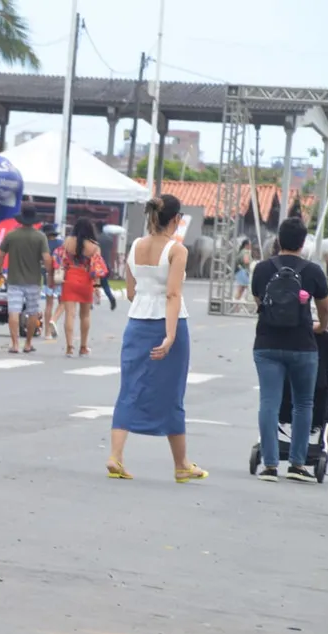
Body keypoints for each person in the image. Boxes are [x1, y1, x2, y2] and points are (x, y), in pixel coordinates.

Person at [108, 194, 208, 483]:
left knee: (129, 387)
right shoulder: (177, 250)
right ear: (176, 220)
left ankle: (115, 455)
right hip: (167, 323)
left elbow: (130, 292)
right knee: (172, 393)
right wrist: (170, 335)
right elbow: (173, 294)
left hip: (137, 323)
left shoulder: (136, 246)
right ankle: (181, 464)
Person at [251, 217, 328, 482]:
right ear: (303, 242)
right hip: (303, 346)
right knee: (303, 403)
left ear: (278, 240)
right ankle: (297, 465)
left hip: (267, 344)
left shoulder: (262, 269)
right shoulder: (313, 271)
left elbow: (259, 303)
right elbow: (325, 307)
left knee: (269, 402)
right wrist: (320, 327)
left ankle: (270, 465)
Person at [0, 202, 51, 353]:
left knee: (14, 311)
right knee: (32, 312)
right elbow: (46, 258)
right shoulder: (40, 237)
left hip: (14, 280)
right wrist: (49, 272)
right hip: (33, 280)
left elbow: (0, 254)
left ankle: (14, 344)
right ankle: (28, 343)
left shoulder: (12, 235)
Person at [52, 218, 108, 357]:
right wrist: (96, 286)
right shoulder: (94, 246)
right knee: (85, 315)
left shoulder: (67, 242)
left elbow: (59, 259)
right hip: (86, 280)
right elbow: (97, 268)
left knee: (70, 315)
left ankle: (69, 347)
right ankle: (83, 346)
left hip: (70, 278)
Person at [42, 224, 63, 339]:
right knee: (62, 302)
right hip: (60, 275)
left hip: (47, 276)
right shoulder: (61, 244)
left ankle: (47, 333)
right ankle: (54, 319)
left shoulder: (43, 244)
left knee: (48, 304)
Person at [96, 227, 118, 310]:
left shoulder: (96, 239)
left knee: (93, 283)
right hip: (106, 264)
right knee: (105, 284)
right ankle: (111, 298)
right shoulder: (109, 239)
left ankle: (90, 302)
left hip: (97, 264)